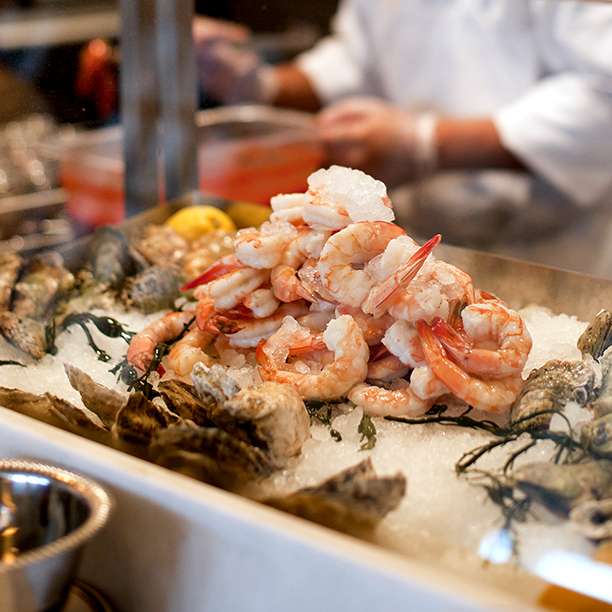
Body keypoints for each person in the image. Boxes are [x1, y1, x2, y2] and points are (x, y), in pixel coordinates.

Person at [194, 1, 612, 276]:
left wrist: (425, 142)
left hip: (556, 256)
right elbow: (355, 59)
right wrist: (260, 85)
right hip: (415, 243)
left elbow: (603, 90)